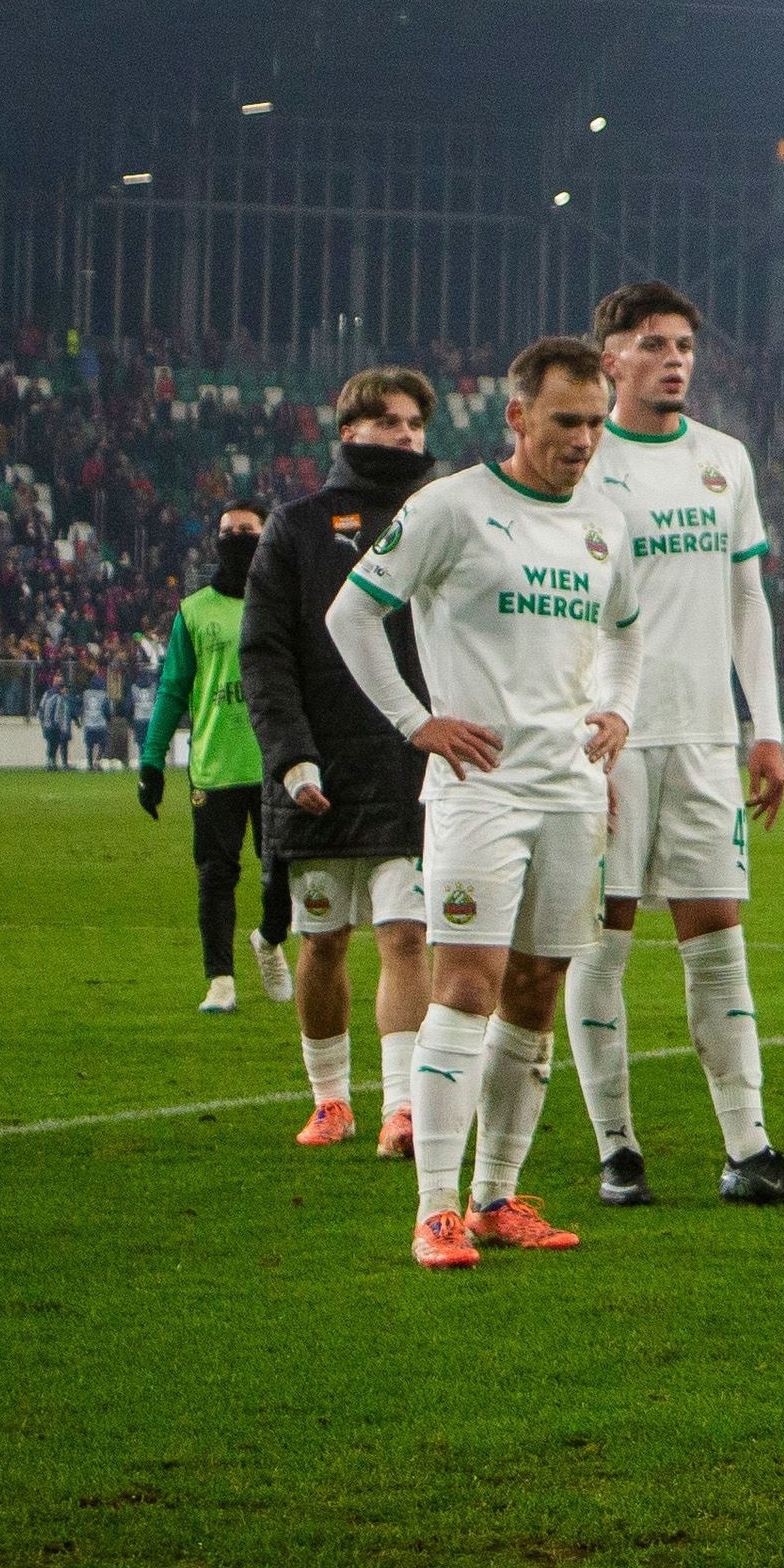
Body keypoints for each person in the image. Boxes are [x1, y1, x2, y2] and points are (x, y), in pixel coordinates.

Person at [325, 335, 646, 1270]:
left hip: (570, 793)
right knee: (466, 985)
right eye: (565, 420)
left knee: (538, 989)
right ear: (517, 415)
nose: (583, 439)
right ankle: (434, 1210)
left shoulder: (605, 521)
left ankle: (496, 1196)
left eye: (595, 423)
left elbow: (627, 631)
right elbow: (352, 612)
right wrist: (415, 721)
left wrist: (618, 707)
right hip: (478, 793)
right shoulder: (452, 506)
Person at [568, 282, 784, 1211]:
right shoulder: (584, 459)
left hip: (704, 736)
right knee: (601, 941)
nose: (674, 358)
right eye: (653, 343)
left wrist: (764, 727)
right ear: (611, 358)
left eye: (684, 344)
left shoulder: (724, 458)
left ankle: (748, 1149)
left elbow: (746, 600)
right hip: (609, 737)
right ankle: (617, 1148)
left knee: (718, 937)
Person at [244, 367, 444, 1152]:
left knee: (406, 937)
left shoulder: (443, 516)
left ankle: (402, 1105)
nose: (406, 436)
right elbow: (265, 654)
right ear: (348, 431)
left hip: (409, 768)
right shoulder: (295, 527)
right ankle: (331, 1099)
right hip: (318, 773)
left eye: (415, 424)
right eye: (390, 421)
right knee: (322, 942)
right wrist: (292, 757)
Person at [141, 500, 279, 1016]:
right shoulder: (193, 611)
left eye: (247, 530)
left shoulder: (283, 601)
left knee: (283, 874)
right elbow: (171, 689)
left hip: (277, 765)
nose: (236, 538)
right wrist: (152, 761)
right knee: (216, 878)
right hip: (215, 769)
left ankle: (270, 936)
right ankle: (221, 981)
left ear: (266, 536)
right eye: (228, 531)